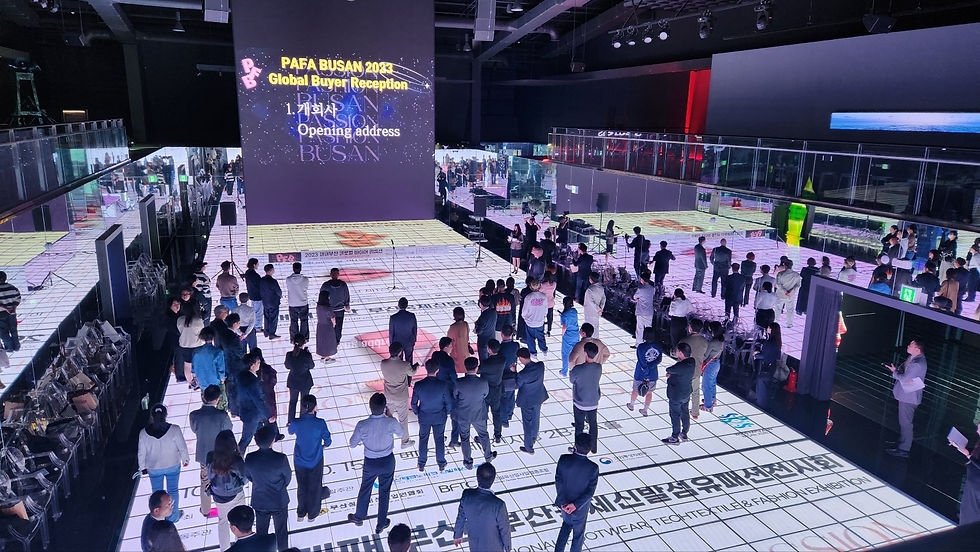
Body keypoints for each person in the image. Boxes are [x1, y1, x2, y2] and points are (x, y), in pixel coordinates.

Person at [348, 393, 404, 534]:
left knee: (365, 488)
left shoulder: (362, 425)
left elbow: (352, 444)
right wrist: (391, 417)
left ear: (370, 406)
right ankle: (381, 523)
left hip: (370, 462)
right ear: (385, 407)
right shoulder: (390, 422)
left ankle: (359, 516)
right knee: (385, 491)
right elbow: (401, 433)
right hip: (387, 461)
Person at [138, 404, 189, 524]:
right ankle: (173, 516)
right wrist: (185, 459)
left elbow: (141, 452)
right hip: (172, 464)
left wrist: (142, 467)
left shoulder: (143, 433)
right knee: (173, 491)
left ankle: (159, 517)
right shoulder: (175, 429)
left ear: (152, 416)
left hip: (153, 467)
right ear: (166, 415)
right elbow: (182, 447)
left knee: (157, 494)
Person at [244, 425, 291, 550]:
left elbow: (249, 476)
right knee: (281, 532)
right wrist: (279, 487)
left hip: (260, 501)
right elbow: (287, 478)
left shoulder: (250, 458)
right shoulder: (281, 458)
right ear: (272, 441)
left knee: (261, 533)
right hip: (279, 500)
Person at [289, 394, 333, 522]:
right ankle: (312, 514)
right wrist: (324, 446)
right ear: (315, 407)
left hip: (299, 460)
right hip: (316, 460)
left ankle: (301, 513)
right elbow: (328, 440)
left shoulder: (296, 422)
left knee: (301, 486)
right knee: (315, 486)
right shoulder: (320, 423)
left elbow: (291, 431)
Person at [189, 385, 232, 517]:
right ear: (218, 399)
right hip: (221, 454)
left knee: (205, 481)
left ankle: (206, 510)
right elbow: (228, 430)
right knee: (223, 479)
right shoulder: (222, 415)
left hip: (203, 454)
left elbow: (195, 430)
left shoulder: (194, 415)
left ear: (204, 397)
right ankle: (225, 506)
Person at [554, 433, 600, 552]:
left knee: (566, 525)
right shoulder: (593, 468)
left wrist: (563, 501)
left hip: (564, 503)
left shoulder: (563, 459)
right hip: (580, 508)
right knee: (578, 535)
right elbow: (590, 492)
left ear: (575, 445)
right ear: (589, 449)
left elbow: (558, 480)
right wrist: (575, 505)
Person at [452, 463, 511, 552]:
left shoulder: (467, 495)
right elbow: (505, 530)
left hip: (475, 544)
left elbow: (461, 516)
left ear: (477, 477)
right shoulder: (499, 505)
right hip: (494, 547)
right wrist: (508, 547)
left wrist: (457, 535)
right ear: (493, 479)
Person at [885, 339, 928, 458]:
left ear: (917, 349)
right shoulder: (913, 358)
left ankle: (904, 449)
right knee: (904, 422)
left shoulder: (917, 364)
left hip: (909, 397)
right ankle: (901, 443)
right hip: (906, 395)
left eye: (910, 345)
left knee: (906, 423)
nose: (908, 346)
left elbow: (904, 378)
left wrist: (895, 373)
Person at [208, 429, 248, 551]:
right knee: (239, 520)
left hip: (218, 495)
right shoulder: (236, 460)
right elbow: (245, 479)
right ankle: (240, 546)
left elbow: (209, 475)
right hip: (236, 494)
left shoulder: (210, 456)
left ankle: (225, 549)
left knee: (223, 521)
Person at [412, 358, 453, 471]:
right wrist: (447, 413)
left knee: (423, 439)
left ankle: (421, 463)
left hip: (424, 416)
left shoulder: (419, 385)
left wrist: (417, 412)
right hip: (439, 417)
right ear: (438, 370)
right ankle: (441, 463)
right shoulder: (443, 385)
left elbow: (413, 403)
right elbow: (448, 402)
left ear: (426, 369)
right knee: (439, 439)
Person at [455, 357, 496, 469]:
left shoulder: (458, 382)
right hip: (478, 413)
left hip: (463, 414)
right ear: (477, 367)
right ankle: (488, 456)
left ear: (465, 367)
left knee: (464, 437)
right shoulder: (483, 382)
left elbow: (455, 395)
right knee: (483, 434)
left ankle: (468, 461)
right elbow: (485, 395)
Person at [381, 342, 417, 449]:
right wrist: (416, 367)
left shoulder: (383, 363)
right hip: (401, 397)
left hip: (388, 396)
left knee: (386, 417)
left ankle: (384, 439)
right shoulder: (404, 365)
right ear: (400, 352)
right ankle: (405, 441)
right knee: (403, 419)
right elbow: (412, 373)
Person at [514, 347, 548, 454]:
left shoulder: (522, 374)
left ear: (521, 358)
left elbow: (517, 385)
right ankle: (533, 437)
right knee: (536, 418)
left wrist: (514, 372)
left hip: (527, 400)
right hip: (538, 397)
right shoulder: (540, 366)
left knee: (527, 424)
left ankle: (528, 447)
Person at [570, 342, 602, 454]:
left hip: (580, 401)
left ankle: (577, 448)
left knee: (579, 426)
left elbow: (572, 380)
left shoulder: (578, 369)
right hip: (593, 400)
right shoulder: (598, 367)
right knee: (593, 424)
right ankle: (593, 447)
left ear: (585, 353)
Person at [238, 352, 272, 451]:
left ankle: (263, 451)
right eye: (258, 363)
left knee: (261, 434)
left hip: (246, 410)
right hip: (252, 415)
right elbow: (258, 400)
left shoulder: (241, 375)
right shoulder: (253, 382)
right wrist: (269, 415)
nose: (259, 364)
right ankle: (238, 456)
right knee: (245, 439)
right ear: (252, 366)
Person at [662, 342, 695, 445]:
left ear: (680, 352)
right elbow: (679, 373)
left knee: (675, 415)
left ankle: (674, 437)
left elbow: (669, 369)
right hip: (686, 392)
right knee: (685, 412)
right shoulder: (692, 361)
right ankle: (684, 433)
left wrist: (670, 374)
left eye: (677, 351)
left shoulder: (680, 366)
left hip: (676, 395)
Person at [947, 421, 980, 525]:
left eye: (979, 429)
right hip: (972, 486)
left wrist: (968, 455)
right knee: (967, 512)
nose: (977, 431)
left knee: (973, 514)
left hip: (977, 489)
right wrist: (963, 449)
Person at [628, 327, 661, 416]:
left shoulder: (641, 347)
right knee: (649, 392)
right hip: (653, 373)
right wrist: (651, 368)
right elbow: (659, 360)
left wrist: (646, 372)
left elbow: (642, 361)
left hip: (640, 373)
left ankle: (631, 404)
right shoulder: (658, 346)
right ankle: (645, 410)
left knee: (636, 389)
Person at [479, 340, 507, 443]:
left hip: (486, 391)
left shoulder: (486, 363)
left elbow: (478, 370)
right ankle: (498, 435)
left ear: (489, 350)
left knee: (484, 414)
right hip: (497, 390)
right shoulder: (502, 360)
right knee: (496, 413)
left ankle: (483, 436)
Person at [253, 349, 283, 441]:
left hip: (259, 396)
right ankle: (274, 434)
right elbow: (274, 379)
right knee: (270, 415)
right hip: (268, 395)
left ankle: (264, 435)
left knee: (261, 416)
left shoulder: (252, 370)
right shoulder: (267, 368)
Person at [284, 334, 314, 424]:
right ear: (304, 343)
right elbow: (311, 366)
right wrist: (308, 354)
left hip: (293, 381)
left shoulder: (289, 354)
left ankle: (290, 422)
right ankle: (302, 421)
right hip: (305, 382)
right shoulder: (306, 355)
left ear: (293, 342)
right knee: (304, 402)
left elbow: (287, 366)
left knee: (292, 401)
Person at [320, 268, 351, 343]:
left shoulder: (325, 285)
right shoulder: (343, 284)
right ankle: (336, 342)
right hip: (340, 310)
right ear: (338, 274)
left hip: (329, 310)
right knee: (338, 327)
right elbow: (346, 295)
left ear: (330, 274)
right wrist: (347, 304)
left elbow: (321, 297)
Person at [497, 326, 520, 429]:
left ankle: (504, 419)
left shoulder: (499, 347)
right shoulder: (516, 345)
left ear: (501, 334)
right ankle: (510, 414)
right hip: (512, 374)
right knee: (511, 396)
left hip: (502, 375)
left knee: (502, 398)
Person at [178, 306, 207, 386]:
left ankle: (191, 382)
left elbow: (179, 330)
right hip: (197, 345)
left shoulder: (180, 319)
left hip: (184, 345)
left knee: (187, 365)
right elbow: (202, 332)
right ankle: (201, 380)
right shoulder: (198, 320)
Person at [522, 279, 548, 358]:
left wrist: (524, 317)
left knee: (530, 338)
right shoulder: (544, 297)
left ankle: (533, 353)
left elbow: (524, 311)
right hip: (540, 321)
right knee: (541, 336)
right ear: (539, 286)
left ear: (531, 287)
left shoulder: (528, 297)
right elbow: (546, 310)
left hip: (530, 322)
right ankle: (544, 350)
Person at [285, 262, 309, 342]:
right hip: (303, 302)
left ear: (293, 269)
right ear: (301, 269)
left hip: (292, 303)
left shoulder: (288, 280)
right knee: (304, 321)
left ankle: (293, 339)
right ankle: (305, 338)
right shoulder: (305, 279)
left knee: (293, 321)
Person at [389, 297, 418, 364]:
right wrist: (414, 340)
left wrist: (391, 344)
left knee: (399, 361)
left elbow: (391, 333)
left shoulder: (393, 318)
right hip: (409, 342)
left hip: (397, 344)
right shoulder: (412, 316)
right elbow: (414, 329)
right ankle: (409, 371)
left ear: (398, 305)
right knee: (409, 360)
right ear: (407, 305)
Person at [774, 260, 802, 328]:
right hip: (790, 295)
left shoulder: (780, 274)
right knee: (790, 310)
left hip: (780, 294)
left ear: (785, 265)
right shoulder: (796, 275)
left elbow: (778, 285)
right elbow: (798, 285)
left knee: (778, 308)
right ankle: (789, 324)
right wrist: (791, 292)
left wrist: (785, 291)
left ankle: (776, 322)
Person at [259, 264, 282, 340]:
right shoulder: (273, 281)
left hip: (265, 301)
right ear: (271, 270)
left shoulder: (262, 280)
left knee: (266, 317)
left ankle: (266, 332)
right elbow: (278, 292)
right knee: (273, 318)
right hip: (273, 302)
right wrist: (280, 297)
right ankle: (272, 334)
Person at [314, 290, 337, 362]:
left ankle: (323, 356)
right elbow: (333, 319)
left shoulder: (318, 307)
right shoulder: (328, 308)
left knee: (321, 341)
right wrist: (334, 325)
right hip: (328, 326)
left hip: (320, 326)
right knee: (328, 341)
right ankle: (327, 358)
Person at [559, 296, 580, 377]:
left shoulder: (564, 315)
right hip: (576, 334)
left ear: (564, 304)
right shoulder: (574, 311)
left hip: (568, 336)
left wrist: (562, 334)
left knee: (565, 354)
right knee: (575, 352)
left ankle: (564, 371)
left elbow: (564, 327)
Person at [448, 306, 472, 373]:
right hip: (465, 351)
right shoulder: (465, 324)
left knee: (457, 368)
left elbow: (449, 339)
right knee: (465, 367)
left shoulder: (453, 327)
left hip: (456, 352)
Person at [243, 258, 264, 335]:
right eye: (257, 264)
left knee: (255, 311)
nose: (258, 265)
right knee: (258, 312)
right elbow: (260, 284)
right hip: (257, 295)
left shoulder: (248, 272)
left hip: (252, 294)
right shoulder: (254, 275)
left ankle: (255, 326)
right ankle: (257, 327)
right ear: (254, 265)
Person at [473, 296, 497, 361]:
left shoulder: (483, 317)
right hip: (491, 338)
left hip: (483, 342)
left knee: (483, 360)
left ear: (481, 304)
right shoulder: (493, 312)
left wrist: (475, 329)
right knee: (491, 359)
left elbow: (479, 331)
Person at [540, 272, 557, 337]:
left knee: (542, 317)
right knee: (550, 317)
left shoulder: (543, 285)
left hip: (543, 303)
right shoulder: (554, 284)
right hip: (551, 302)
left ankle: (542, 329)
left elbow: (539, 292)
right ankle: (549, 330)